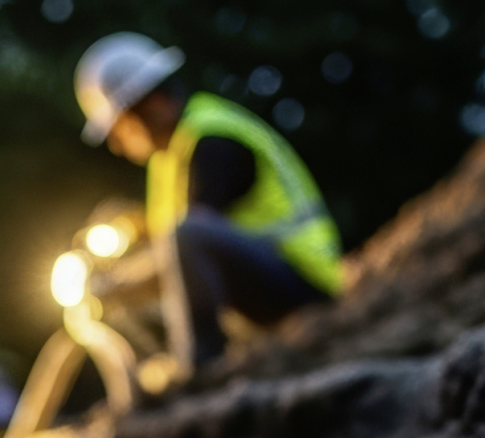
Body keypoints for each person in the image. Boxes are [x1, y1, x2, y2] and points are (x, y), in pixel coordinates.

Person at [74, 33, 344, 371]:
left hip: (302, 285)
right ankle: (165, 365)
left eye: (119, 128)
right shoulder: (171, 155)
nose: (117, 144)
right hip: (271, 286)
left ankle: (200, 366)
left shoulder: (212, 140)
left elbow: (189, 240)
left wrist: (117, 284)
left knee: (188, 235)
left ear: (154, 105)